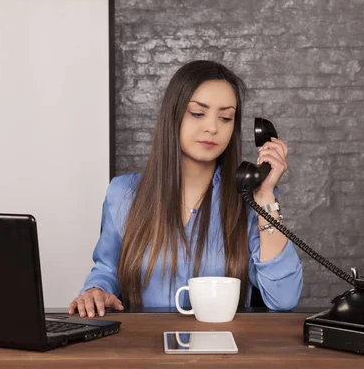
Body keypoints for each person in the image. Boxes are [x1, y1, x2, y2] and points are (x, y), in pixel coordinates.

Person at [69, 60, 303, 318]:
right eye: (198, 113)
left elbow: (283, 298)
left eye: (225, 118)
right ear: (174, 115)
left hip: (225, 348)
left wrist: (265, 196)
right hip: (145, 348)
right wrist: (96, 290)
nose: (212, 128)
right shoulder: (123, 192)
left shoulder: (253, 198)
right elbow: (107, 269)